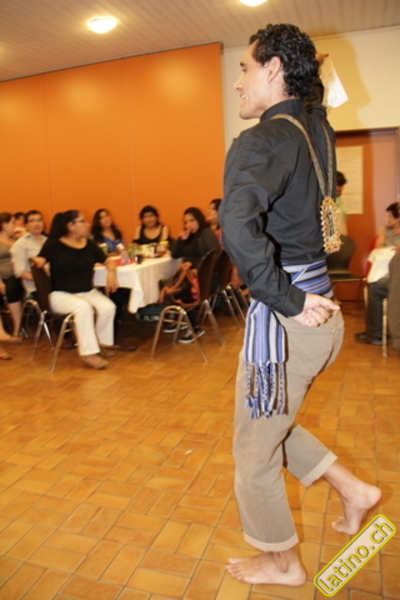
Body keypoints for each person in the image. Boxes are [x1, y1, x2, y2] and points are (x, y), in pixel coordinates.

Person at [219, 24, 381, 587]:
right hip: (319, 315)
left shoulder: (263, 140)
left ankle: (283, 562)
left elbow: (237, 228)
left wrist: (284, 298)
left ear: (272, 70)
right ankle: (354, 490)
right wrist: (307, 69)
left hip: (291, 321)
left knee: (253, 453)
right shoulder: (317, 128)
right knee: (268, 426)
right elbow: (317, 94)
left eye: (244, 68)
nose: (237, 82)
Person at [34, 210, 117, 370]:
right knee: (83, 308)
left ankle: (100, 344)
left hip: (86, 292)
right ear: (71, 226)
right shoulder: (54, 244)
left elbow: (108, 261)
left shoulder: (89, 244)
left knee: (108, 307)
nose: (87, 224)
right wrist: (37, 262)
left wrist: (111, 274)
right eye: (82, 221)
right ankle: (88, 354)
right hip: (60, 295)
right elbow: (40, 260)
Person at [168, 207, 219, 343]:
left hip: (206, 279)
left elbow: (213, 258)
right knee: (168, 286)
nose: (189, 224)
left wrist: (196, 269)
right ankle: (181, 320)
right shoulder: (189, 237)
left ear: (199, 220)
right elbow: (174, 254)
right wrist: (180, 240)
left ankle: (195, 328)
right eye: (186, 222)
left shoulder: (206, 234)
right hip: (192, 277)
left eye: (192, 220)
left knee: (179, 292)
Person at [355, 203, 400, 345]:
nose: (387, 219)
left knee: (375, 287)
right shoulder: (385, 230)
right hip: (390, 271)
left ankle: (375, 334)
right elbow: (378, 246)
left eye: (391, 217)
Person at [10, 210, 47, 297]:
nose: (36, 224)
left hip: (56, 286)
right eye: (32, 221)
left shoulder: (49, 241)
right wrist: (44, 281)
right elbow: (20, 272)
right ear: (26, 225)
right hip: (37, 288)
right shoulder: (20, 245)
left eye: (39, 220)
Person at [0, 212, 25, 338]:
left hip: (16, 275)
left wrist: (23, 232)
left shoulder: (17, 240)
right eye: (13, 223)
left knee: (12, 286)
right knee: (9, 286)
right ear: (4, 225)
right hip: (2, 276)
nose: (15, 226)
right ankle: (2, 332)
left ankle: (17, 329)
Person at [335, 171, 348, 235]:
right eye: (338, 185)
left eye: (342, 185)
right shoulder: (326, 202)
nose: (341, 188)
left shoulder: (338, 201)